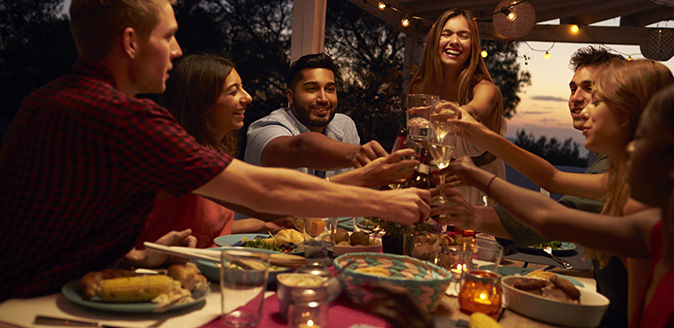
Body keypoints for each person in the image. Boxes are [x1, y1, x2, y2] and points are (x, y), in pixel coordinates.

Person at [0, 0, 429, 300]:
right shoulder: (125, 117)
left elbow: (58, 218)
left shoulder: (45, 99)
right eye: (168, 36)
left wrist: (133, 255)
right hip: (33, 302)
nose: (177, 50)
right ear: (130, 42)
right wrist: (386, 203)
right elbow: (262, 191)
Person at [445, 68, 674, 327]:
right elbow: (550, 190)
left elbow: (550, 217)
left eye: (642, 138)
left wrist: (479, 180)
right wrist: (478, 156)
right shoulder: (654, 229)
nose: (583, 105)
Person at [436, 46, 629, 327]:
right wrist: (482, 138)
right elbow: (551, 179)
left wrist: (475, 209)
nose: (576, 99)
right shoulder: (611, 159)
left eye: (590, 91)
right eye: (573, 88)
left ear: (625, 102)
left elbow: (554, 216)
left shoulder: (628, 167)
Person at [129, 54, 289, 250]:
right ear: (202, 103)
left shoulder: (214, 151)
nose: (247, 97)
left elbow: (197, 229)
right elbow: (263, 193)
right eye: (233, 91)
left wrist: (261, 225)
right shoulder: (182, 160)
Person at [245, 53, 411, 187]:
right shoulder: (265, 127)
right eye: (312, 89)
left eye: (330, 89)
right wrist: (355, 154)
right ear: (290, 95)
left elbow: (354, 192)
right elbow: (300, 148)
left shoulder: (344, 125)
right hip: (260, 229)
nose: (323, 98)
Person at [408, 8, 506, 206]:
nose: (454, 41)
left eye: (464, 36)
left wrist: (453, 113)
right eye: (447, 34)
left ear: (473, 45)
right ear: (436, 40)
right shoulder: (420, 87)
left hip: (482, 184)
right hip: (440, 180)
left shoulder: (485, 89)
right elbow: (418, 144)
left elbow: (475, 110)